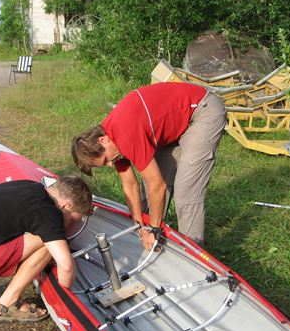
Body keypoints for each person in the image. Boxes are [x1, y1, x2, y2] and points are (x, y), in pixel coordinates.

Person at [72, 82, 226, 249]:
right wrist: (140, 227)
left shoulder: (125, 135)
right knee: (152, 188)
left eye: (105, 160)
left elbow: (157, 186)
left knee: (185, 192)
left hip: (202, 111)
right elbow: (130, 186)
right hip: (177, 121)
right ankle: (153, 239)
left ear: (103, 140)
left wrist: (153, 229)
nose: (110, 165)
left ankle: (194, 254)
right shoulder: (111, 139)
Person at [0, 176, 93, 323]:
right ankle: (7, 304)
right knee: (49, 244)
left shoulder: (30, 187)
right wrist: (68, 294)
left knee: (45, 235)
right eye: (72, 219)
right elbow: (66, 266)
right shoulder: (48, 213)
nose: (69, 225)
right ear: (65, 205)